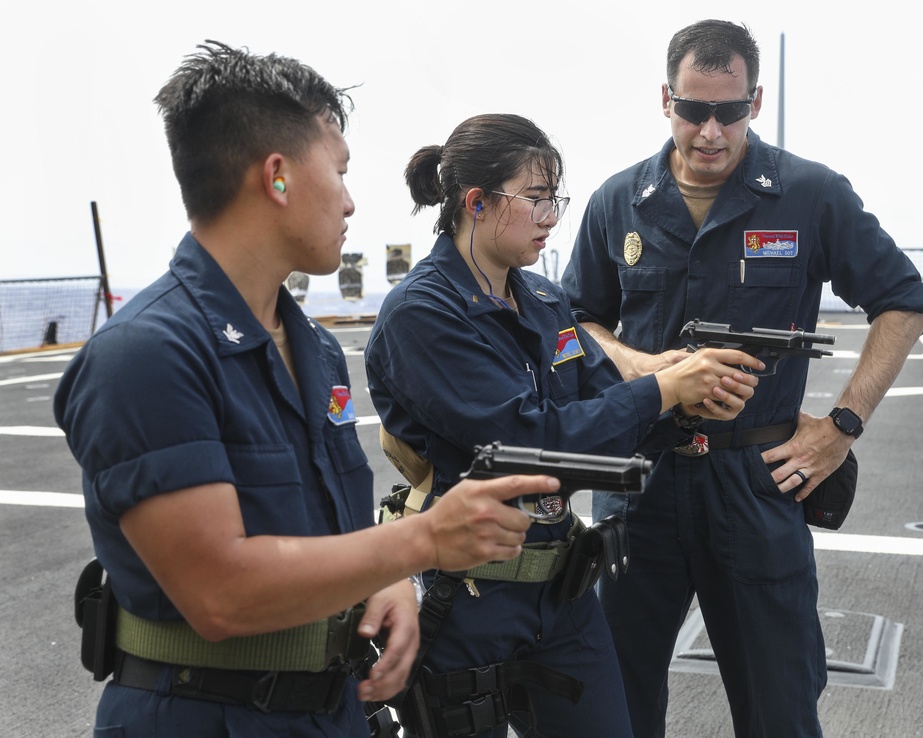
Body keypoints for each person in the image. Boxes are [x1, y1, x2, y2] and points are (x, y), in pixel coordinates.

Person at [53, 41, 556, 738]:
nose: (351, 201)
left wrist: (383, 583)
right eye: (340, 171)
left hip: (333, 712)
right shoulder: (146, 356)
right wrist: (421, 542)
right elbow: (221, 592)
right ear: (279, 177)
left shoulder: (314, 349)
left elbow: (332, 526)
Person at [560, 19, 923, 738]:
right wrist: (639, 365)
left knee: (780, 707)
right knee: (613, 703)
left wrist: (841, 428)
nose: (709, 132)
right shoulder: (617, 202)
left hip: (754, 484)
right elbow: (576, 318)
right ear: (664, 99)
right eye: (692, 110)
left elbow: (905, 301)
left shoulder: (809, 194)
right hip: (641, 484)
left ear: (754, 103)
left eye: (728, 112)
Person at [364, 113, 763, 738]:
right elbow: (524, 441)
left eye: (557, 199)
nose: (553, 216)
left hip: (562, 590)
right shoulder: (423, 314)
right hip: (467, 598)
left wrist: (689, 403)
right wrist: (659, 390)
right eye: (538, 198)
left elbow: (606, 412)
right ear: (477, 202)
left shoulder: (547, 303)